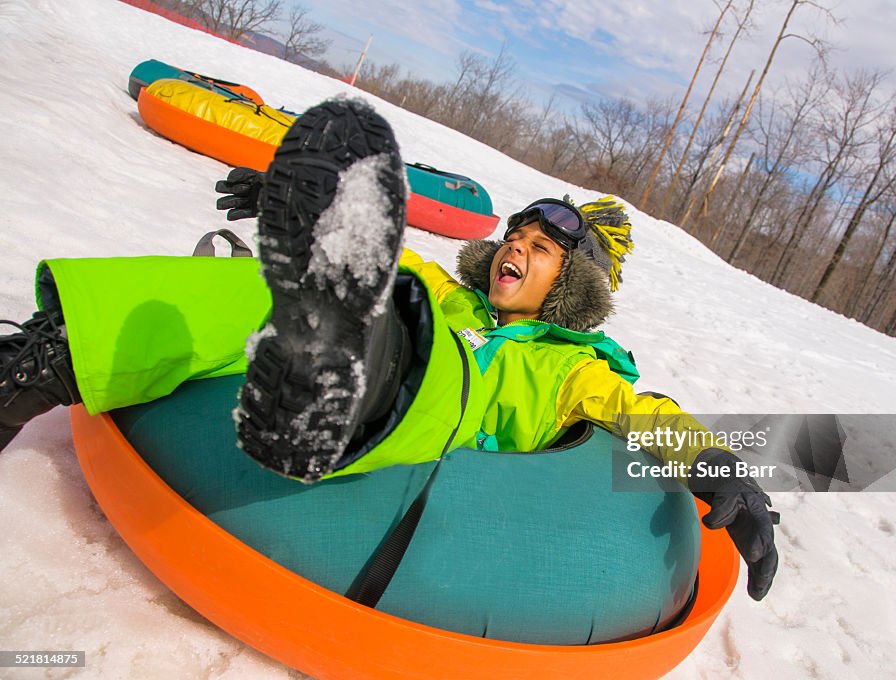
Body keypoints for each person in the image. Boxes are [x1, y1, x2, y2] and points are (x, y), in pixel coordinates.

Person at [0, 97, 779, 600]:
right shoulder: (444, 287)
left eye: (542, 250)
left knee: (422, 357)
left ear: (572, 288)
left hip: (432, 425)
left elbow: (648, 418)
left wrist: (720, 468)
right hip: (391, 336)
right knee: (337, 282)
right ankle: (49, 357)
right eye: (516, 234)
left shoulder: (572, 368)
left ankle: (329, 386)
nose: (516, 247)